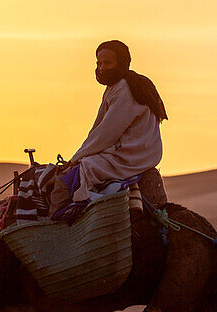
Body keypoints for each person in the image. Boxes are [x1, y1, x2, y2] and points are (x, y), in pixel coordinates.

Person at [57, 40, 167, 207]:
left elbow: (106, 134)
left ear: (121, 63)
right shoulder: (116, 87)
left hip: (129, 155)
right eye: (99, 63)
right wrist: (81, 154)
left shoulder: (125, 89)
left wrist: (75, 159)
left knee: (69, 178)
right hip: (130, 152)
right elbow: (98, 129)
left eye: (107, 63)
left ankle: (62, 221)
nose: (101, 68)